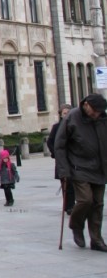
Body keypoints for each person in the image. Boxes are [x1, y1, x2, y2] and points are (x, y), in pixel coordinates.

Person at [54, 93, 107, 252]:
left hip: (100, 167)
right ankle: (76, 225)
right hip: (79, 167)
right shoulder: (72, 117)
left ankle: (96, 240)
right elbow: (59, 145)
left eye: (100, 111)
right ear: (87, 105)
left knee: (98, 203)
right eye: (95, 111)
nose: (97, 114)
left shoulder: (103, 118)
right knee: (85, 200)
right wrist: (64, 170)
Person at [47, 104, 74, 214]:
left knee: (74, 183)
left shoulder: (75, 126)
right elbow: (50, 142)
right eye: (64, 113)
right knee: (66, 184)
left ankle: (72, 205)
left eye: (68, 113)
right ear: (61, 115)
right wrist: (56, 153)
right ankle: (68, 206)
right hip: (62, 160)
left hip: (74, 159)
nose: (66, 115)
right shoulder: (56, 127)